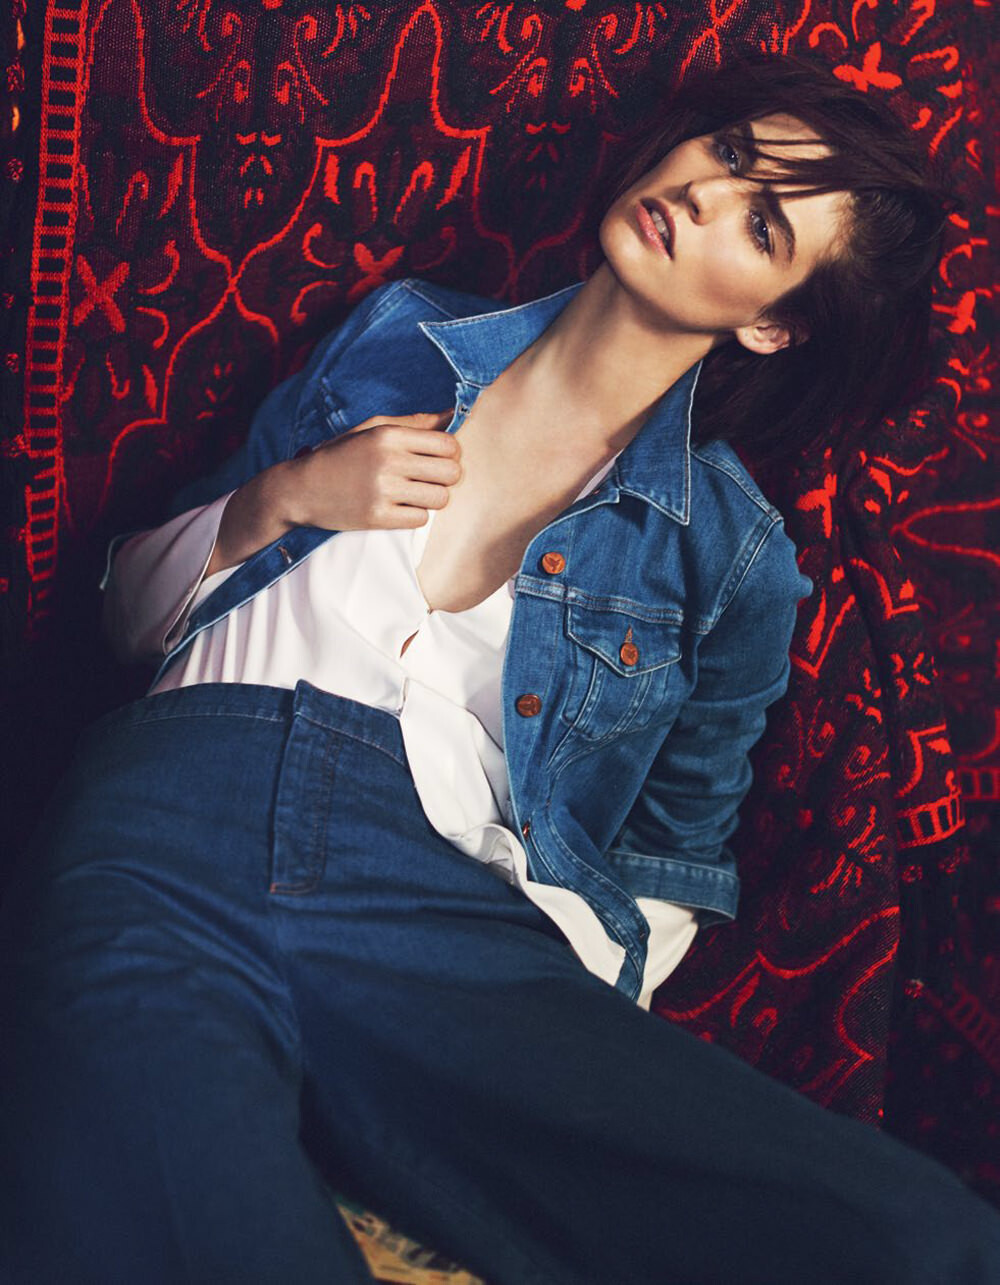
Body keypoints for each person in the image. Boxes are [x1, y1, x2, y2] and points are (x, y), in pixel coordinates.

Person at [2, 56, 998, 1285]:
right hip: (176, 815)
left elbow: (670, 857)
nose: (703, 193)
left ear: (774, 322)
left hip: (442, 919)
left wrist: (548, 999)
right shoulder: (399, 337)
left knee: (914, 1238)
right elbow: (122, 621)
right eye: (733, 155)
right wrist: (282, 498)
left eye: (761, 224)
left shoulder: (732, 557)